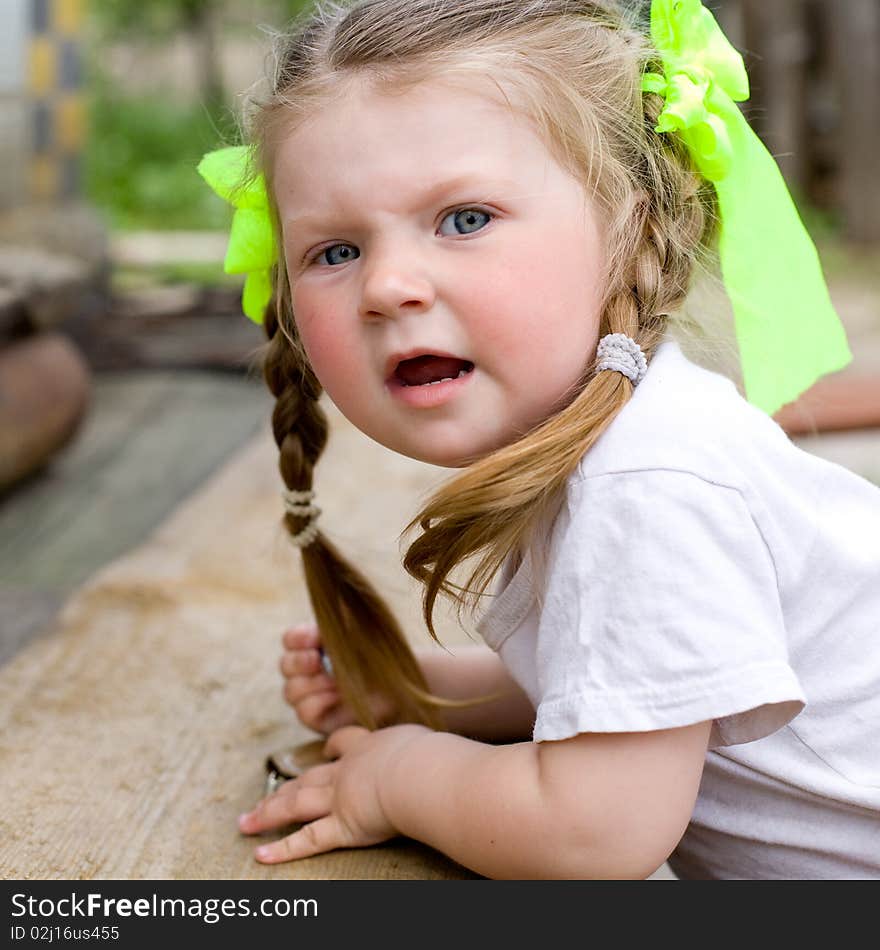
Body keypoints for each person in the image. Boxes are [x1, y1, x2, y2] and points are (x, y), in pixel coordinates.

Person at [199, 0, 880, 879]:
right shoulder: (614, 438)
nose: (389, 286)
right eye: (335, 252)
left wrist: (400, 778)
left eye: (465, 220)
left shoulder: (651, 480)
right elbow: (628, 690)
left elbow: (594, 832)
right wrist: (423, 696)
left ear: (628, 238)